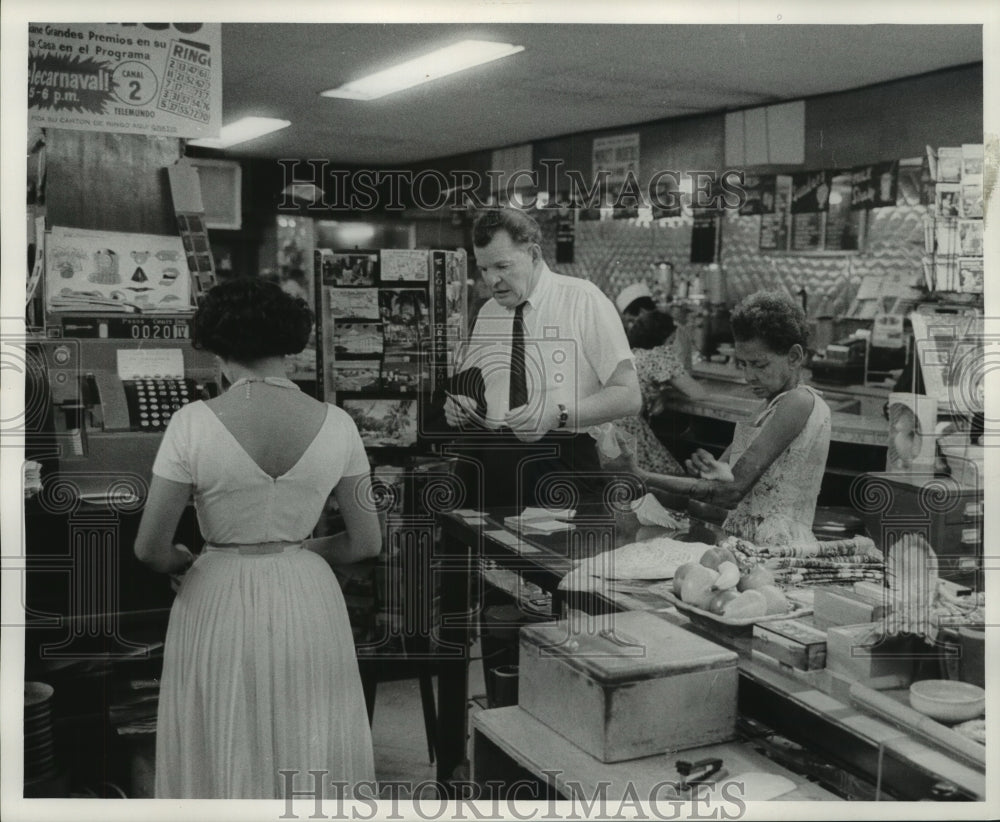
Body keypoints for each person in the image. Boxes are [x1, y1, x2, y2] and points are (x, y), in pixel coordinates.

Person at [134, 278, 380, 799]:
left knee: (222, 733)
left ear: (218, 348)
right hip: (308, 595)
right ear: (290, 346)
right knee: (309, 734)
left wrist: (182, 559)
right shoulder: (339, 424)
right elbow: (364, 543)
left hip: (216, 591)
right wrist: (302, 550)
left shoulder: (192, 424)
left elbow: (150, 549)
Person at [444, 208, 641, 509]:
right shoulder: (488, 312)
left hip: (562, 461)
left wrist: (556, 415)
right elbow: (472, 386)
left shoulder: (583, 300)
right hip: (491, 460)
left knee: (557, 556)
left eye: (502, 266)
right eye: (483, 269)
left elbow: (628, 396)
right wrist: (461, 406)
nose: (491, 280)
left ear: (534, 254)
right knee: (489, 553)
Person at [614, 290, 830, 547]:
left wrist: (641, 475)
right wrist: (710, 473)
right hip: (742, 540)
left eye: (759, 365)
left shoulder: (799, 401)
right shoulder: (766, 406)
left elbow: (731, 493)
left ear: (794, 357)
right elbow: (724, 482)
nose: (749, 376)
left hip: (776, 546)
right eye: (743, 364)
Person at [615, 308, 707, 476]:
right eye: (672, 340)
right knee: (671, 477)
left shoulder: (630, 354)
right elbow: (698, 393)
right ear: (666, 339)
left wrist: (664, 392)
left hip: (601, 427)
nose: (673, 345)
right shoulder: (659, 355)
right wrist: (667, 393)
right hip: (627, 428)